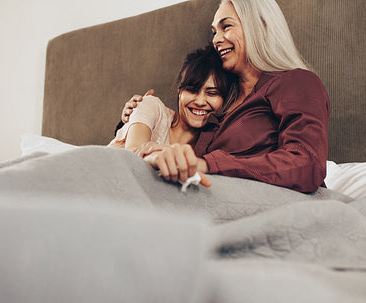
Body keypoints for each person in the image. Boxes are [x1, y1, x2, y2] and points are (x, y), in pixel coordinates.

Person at [120, 0, 330, 193]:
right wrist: (137, 115)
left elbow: (307, 162)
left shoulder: (296, 81)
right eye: (214, 32)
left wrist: (207, 164)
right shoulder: (225, 99)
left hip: (269, 203)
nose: (216, 40)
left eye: (226, 26)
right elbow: (178, 127)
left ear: (261, 25)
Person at [109, 45, 238, 187]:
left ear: (224, 99)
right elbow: (132, 155)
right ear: (179, 90)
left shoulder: (209, 151)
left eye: (212, 93)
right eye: (192, 90)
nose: (200, 102)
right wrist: (157, 155)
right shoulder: (151, 105)